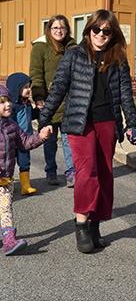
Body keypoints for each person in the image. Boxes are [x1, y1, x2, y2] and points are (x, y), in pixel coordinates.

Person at [38, 9, 136, 254]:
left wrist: (133, 124)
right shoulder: (74, 55)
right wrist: (45, 120)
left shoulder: (118, 57)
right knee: (87, 173)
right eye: (96, 29)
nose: (101, 34)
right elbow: (59, 90)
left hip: (107, 122)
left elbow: (126, 94)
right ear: (89, 30)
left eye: (106, 31)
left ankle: (96, 226)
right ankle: (81, 225)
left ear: (112, 33)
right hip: (79, 123)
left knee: (106, 175)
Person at [0, 85, 52, 255]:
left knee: (6, 209)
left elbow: (25, 143)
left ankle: (9, 241)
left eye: (8, 100)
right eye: (2, 102)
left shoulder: (12, 126)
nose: (7, 104)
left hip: (5, 179)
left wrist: (41, 136)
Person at [29, 14, 76, 186]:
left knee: (69, 139)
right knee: (49, 139)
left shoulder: (73, 47)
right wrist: (39, 97)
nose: (58, 31)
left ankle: (71, 171)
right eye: (55, 28)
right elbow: (36, 74)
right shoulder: (40, 47)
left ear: (67, 29)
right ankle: (51, 171)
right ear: (49, 29)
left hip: (70, 102)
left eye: (62, 28)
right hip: (49, 101)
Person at [6, 72, 40, 195]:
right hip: (13, 140)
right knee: (10, 163)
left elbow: (31, 117)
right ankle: (9, 184)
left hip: (25, 140)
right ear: (16, 88)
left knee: (25, 161)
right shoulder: (12, 106)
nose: (29, 90)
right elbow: (9, 123)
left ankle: (26, 186)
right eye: (25, 87)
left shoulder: (27, 103)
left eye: (29, 87)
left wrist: (38, 111)